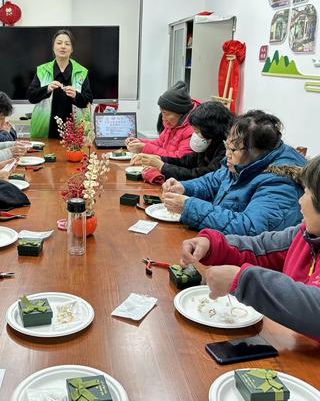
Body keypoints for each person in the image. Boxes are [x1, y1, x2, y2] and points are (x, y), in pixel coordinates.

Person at [180, 155, 320, 340]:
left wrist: (243, 281)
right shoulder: (304, 234)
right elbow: (263, 248)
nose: (300, 201)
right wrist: (214, 245)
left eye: (307, 193)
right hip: (294, 342)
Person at [163, 110, 306, 236]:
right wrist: (183, 187)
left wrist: (189, 206)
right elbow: (215, 181)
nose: (227, 155)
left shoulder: (281, 182)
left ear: (257, 152)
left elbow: (251, 228)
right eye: (227, 146)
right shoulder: (242, 163)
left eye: (233, 150)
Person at [132, 101, 234, 185]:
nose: (195, 135)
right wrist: (160, 159)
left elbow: (202, 175)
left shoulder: (225, 149)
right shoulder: (209, 141)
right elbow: (188, 160)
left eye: (197, 131)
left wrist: (163, 166)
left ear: (210, 130)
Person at [27, 29, 93, 138]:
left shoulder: (82, 71)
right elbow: (31, 96)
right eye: (59, 43)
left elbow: (88, 100)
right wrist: (47, 88)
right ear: (53, 47)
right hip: (45, 130)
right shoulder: (42, 70)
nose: (63, 46)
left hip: (75, 133)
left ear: (72, 49)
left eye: (67, 44)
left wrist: (76, 95)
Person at [126, 81, 200, 157]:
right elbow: (160, 143)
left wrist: (144, 148)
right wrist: (139, 142)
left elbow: (180, 158)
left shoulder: (193, 130)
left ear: (179, 112)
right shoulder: (172, 124)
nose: (163, 118)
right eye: (161, 113)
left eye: (165, 113)